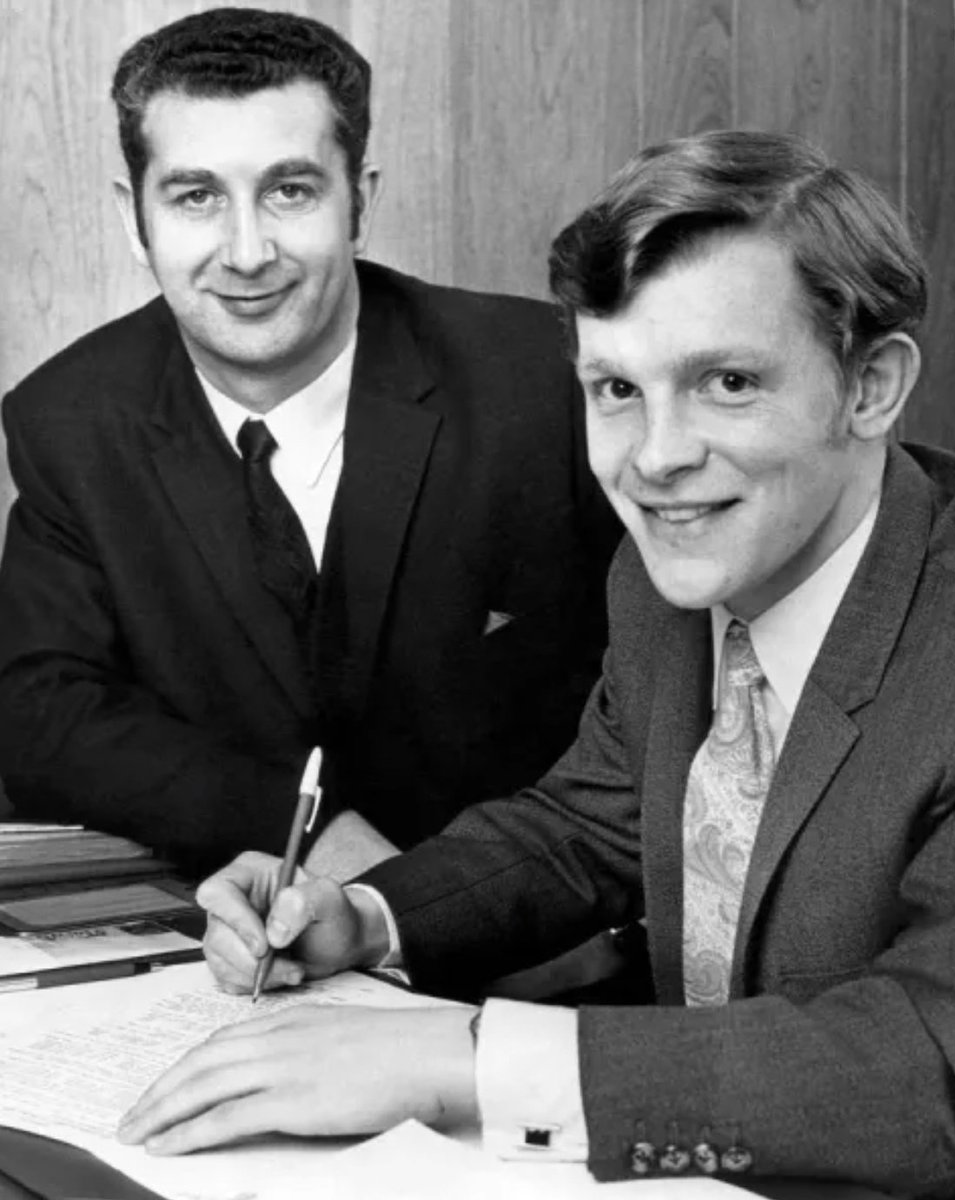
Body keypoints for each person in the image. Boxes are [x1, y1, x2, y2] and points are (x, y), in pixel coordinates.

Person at [116, 129, 955, 1195]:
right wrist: (364, 917)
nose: (654, 459)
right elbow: (587, 827)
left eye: (728, 382)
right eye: (615, 390)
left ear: (872, 387)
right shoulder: (665, 577)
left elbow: (943, 1070)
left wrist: (469, 1063)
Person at [0, 8, 619, 880]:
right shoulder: (68, 420)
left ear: (360, 200)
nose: (247, 252)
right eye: (196, 196)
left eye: (290, 190)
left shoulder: (549, 382)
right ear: (132, 216)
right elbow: (39, 713)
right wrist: (303, 834)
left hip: (550, 954)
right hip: (239, 938)